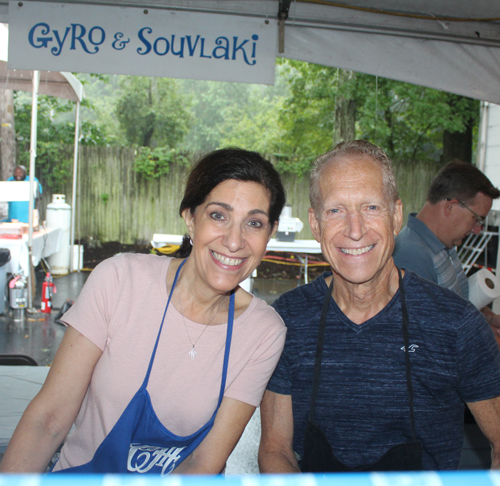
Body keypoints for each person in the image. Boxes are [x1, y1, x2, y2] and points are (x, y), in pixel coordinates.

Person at [0, 148, 287, 475]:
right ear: (190, 219)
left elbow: (203, 462)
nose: (234, 241)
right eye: (218, 215)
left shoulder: (264, 332)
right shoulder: (120, 280)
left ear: (269, 233)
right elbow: (48, 420)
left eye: (254, 223)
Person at [258, 140, 500, 473]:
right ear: (315, 224)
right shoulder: (287, 321)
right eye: (336, 210)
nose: (355, 230)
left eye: (371, 207)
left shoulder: (456, 325)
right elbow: (275, 449)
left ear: (396, 215)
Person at [393, 161, 500, 334]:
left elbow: (458, 300)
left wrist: (488, 318)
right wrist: (488, 343)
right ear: (450, 207)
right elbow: (425, 340)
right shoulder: (412, 257)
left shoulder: (444, 244)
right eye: (476, 219)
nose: (477, 230)